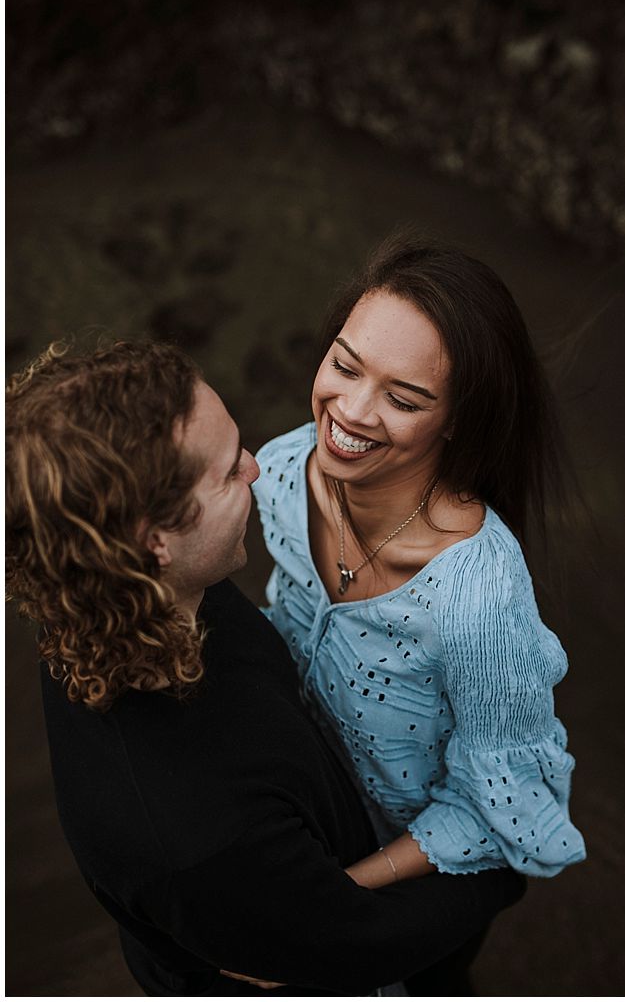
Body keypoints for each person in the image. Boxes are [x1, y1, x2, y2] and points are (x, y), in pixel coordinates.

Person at [6, 339, 525, 995]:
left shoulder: (98, 596)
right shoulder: (202, 843)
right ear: (154, 540)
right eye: (226, 471)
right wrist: (504, 860)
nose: (255, 468)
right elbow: (364, 944)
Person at [251, 235, 584, 913]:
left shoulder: (477, 597)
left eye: (403, 400)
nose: (349, 412)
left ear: (459, 420)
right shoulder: (283, 471)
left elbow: (499, 806)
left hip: (421, 877)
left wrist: (336, 896)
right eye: (345, 366)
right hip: (303, 817)